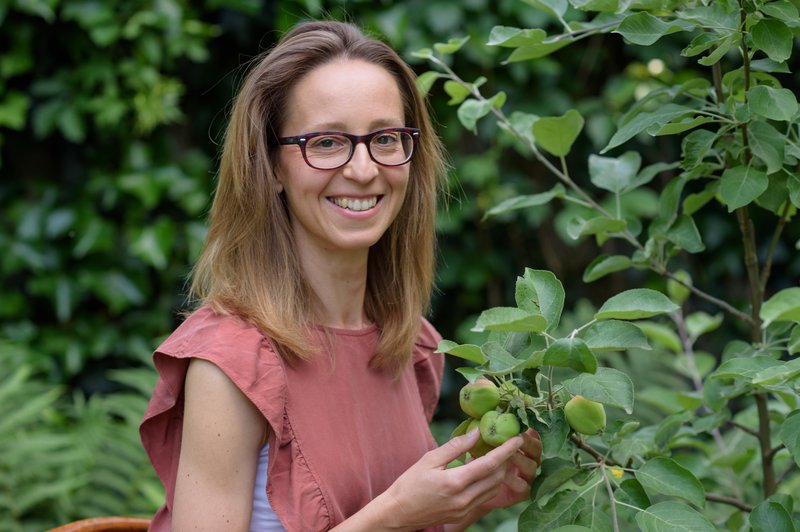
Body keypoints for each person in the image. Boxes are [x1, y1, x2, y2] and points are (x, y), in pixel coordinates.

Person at [139, 20, 542, 531]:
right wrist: (395, 516)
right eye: (326, 142)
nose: (363, 169)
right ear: (272, 166)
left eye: (386, 138)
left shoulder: (410, 346)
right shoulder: (231, 364)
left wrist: (461, 503)